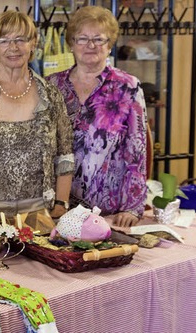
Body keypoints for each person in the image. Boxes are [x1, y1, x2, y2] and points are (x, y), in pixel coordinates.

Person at [0, 11, 74, 232]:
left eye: (20, 39)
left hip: (39, 215)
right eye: (3, 40)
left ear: (33, 44)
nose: (12, 47)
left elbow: (65, 153)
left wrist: (61, 204)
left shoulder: (50, 94)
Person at [46, 6, 147, 228]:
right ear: (71, 44)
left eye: (98, 39)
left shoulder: (128, 86)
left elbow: (136, 148)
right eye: (82, 38)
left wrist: (133, 206)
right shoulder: (51, 85)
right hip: (56, 208)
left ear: (110, 45)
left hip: (108, 211)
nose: (90, 45)